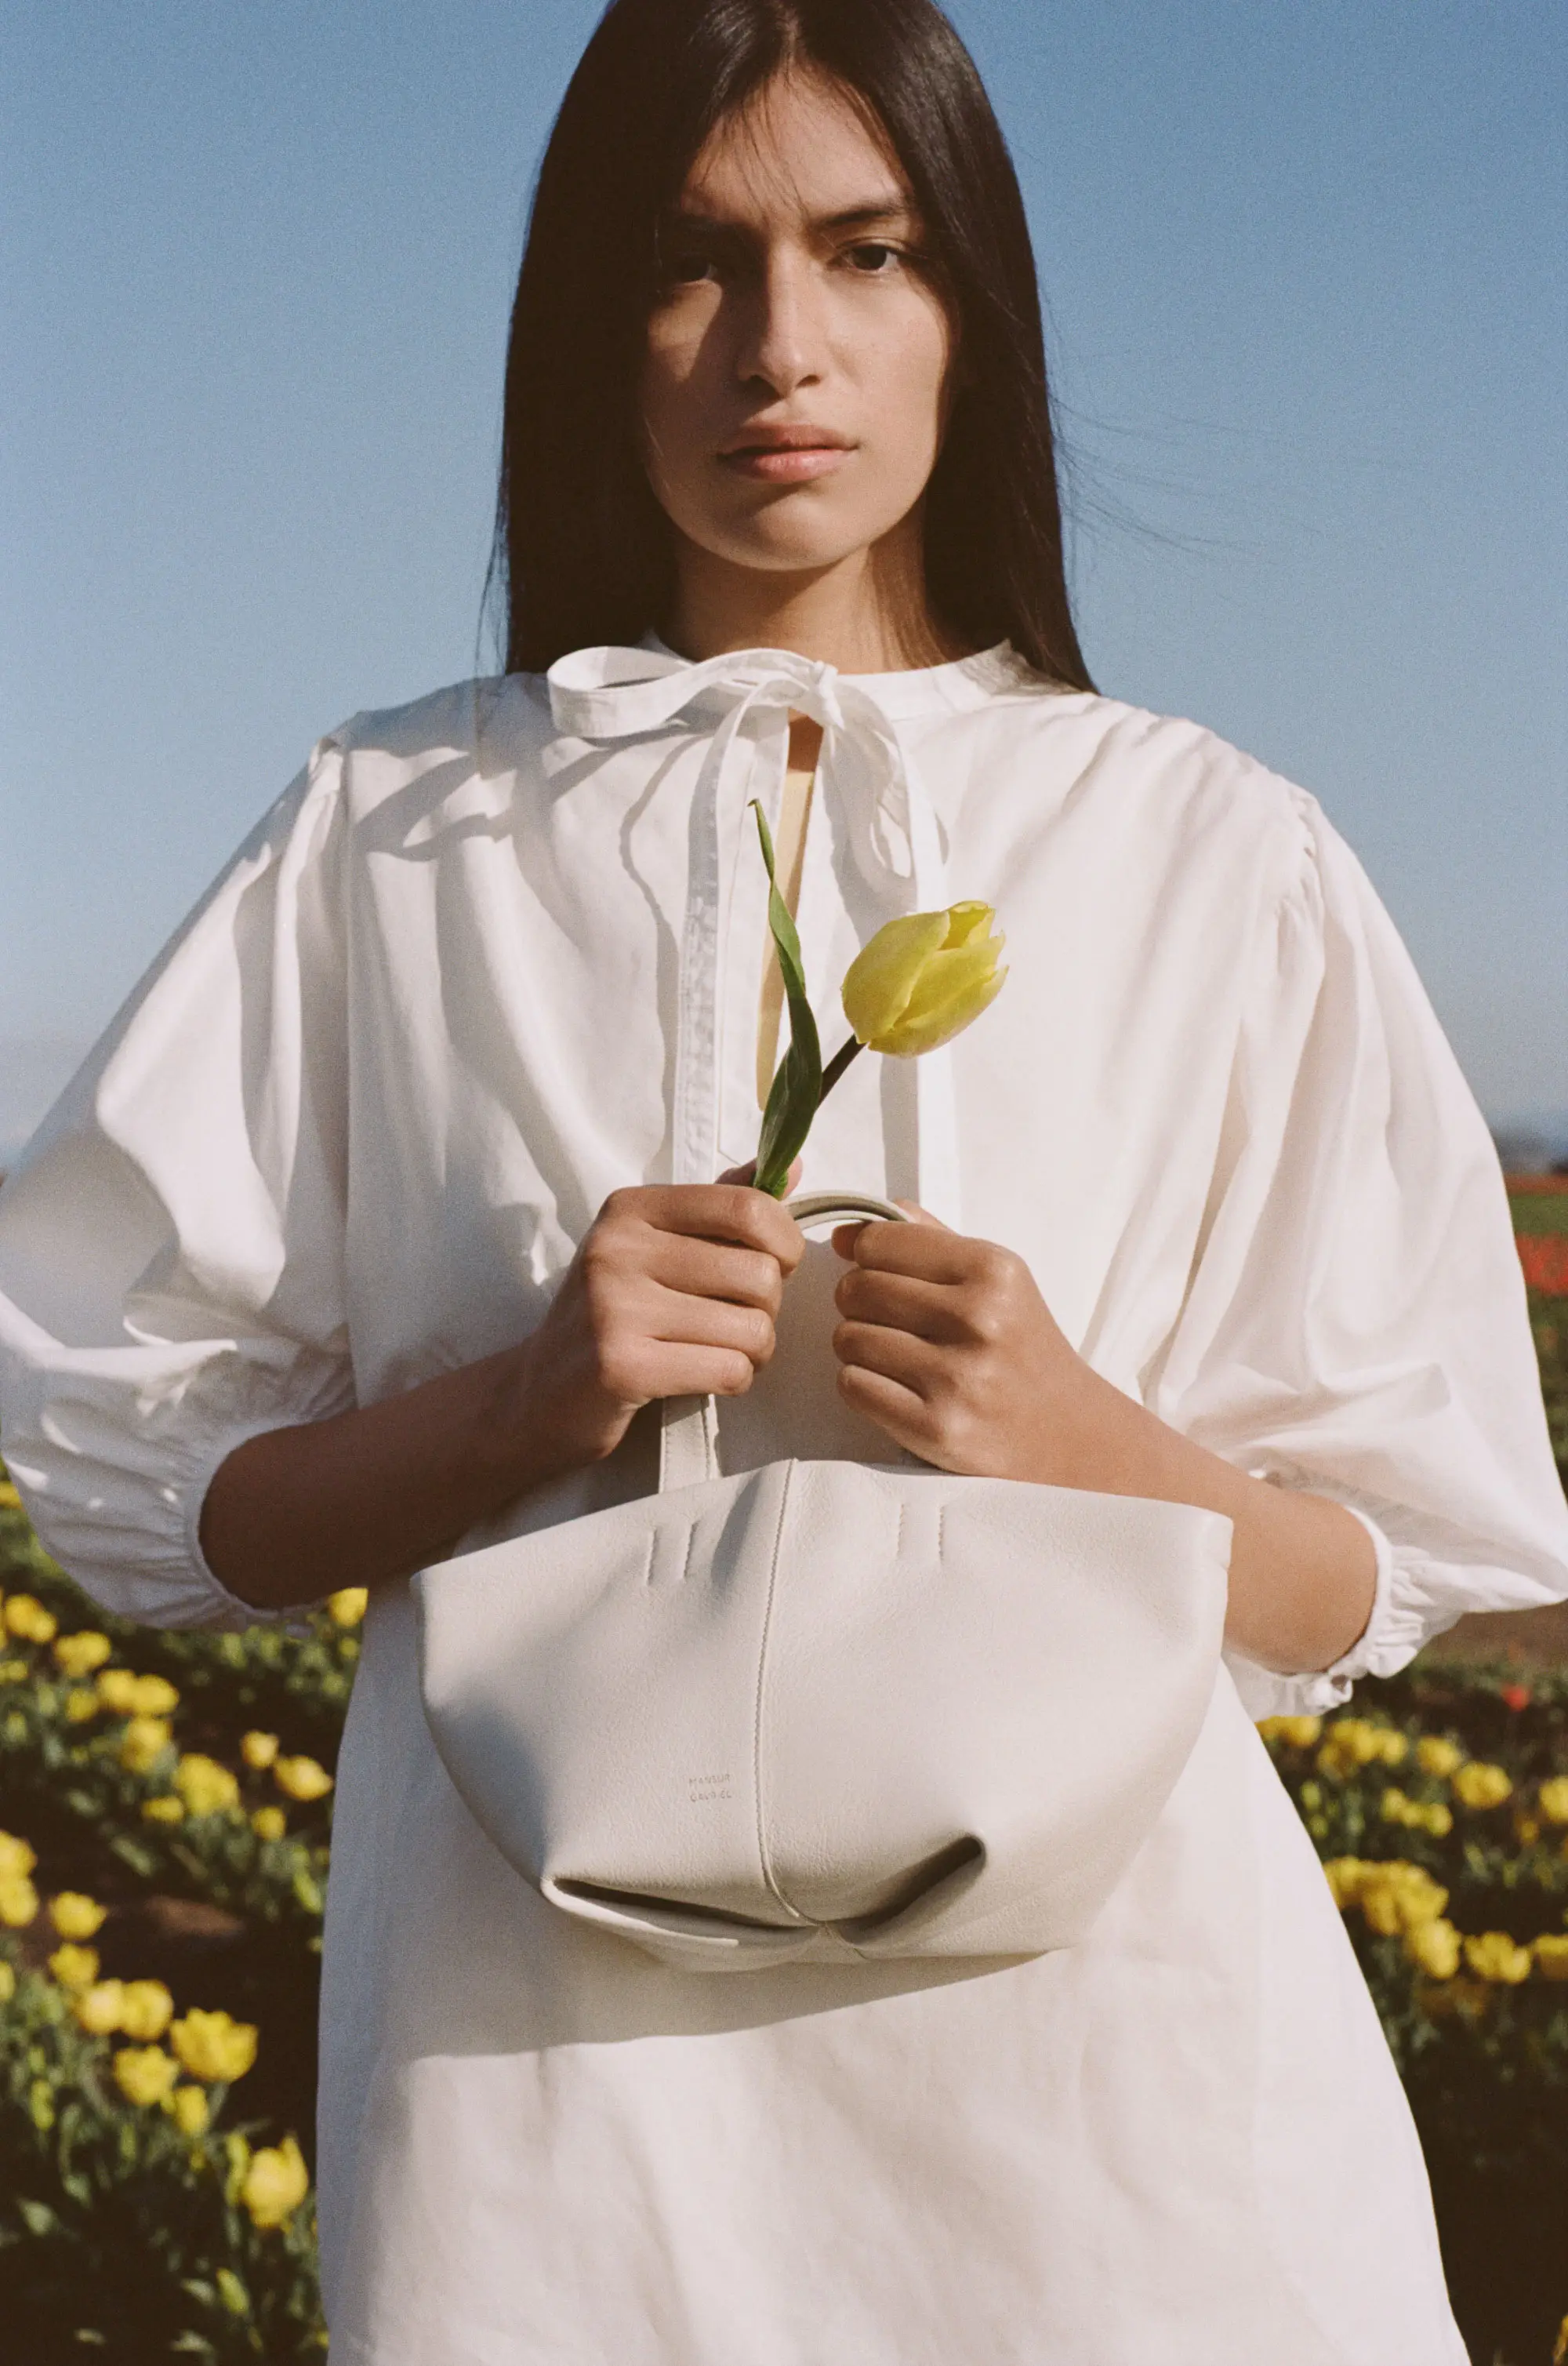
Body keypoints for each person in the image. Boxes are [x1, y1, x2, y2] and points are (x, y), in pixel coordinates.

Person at [2, 1, 1564, 2357]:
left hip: (1127, 2079)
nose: (778, 346)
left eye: (867, 251)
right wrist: (521, 1407)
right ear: (586, 327)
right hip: (549, 2081)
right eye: (688, 259)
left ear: (973, 315)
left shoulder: (1208, 847)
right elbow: (151, 1499)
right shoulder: (392, 833)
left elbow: (1390, 1561)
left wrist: (1078, 1434)